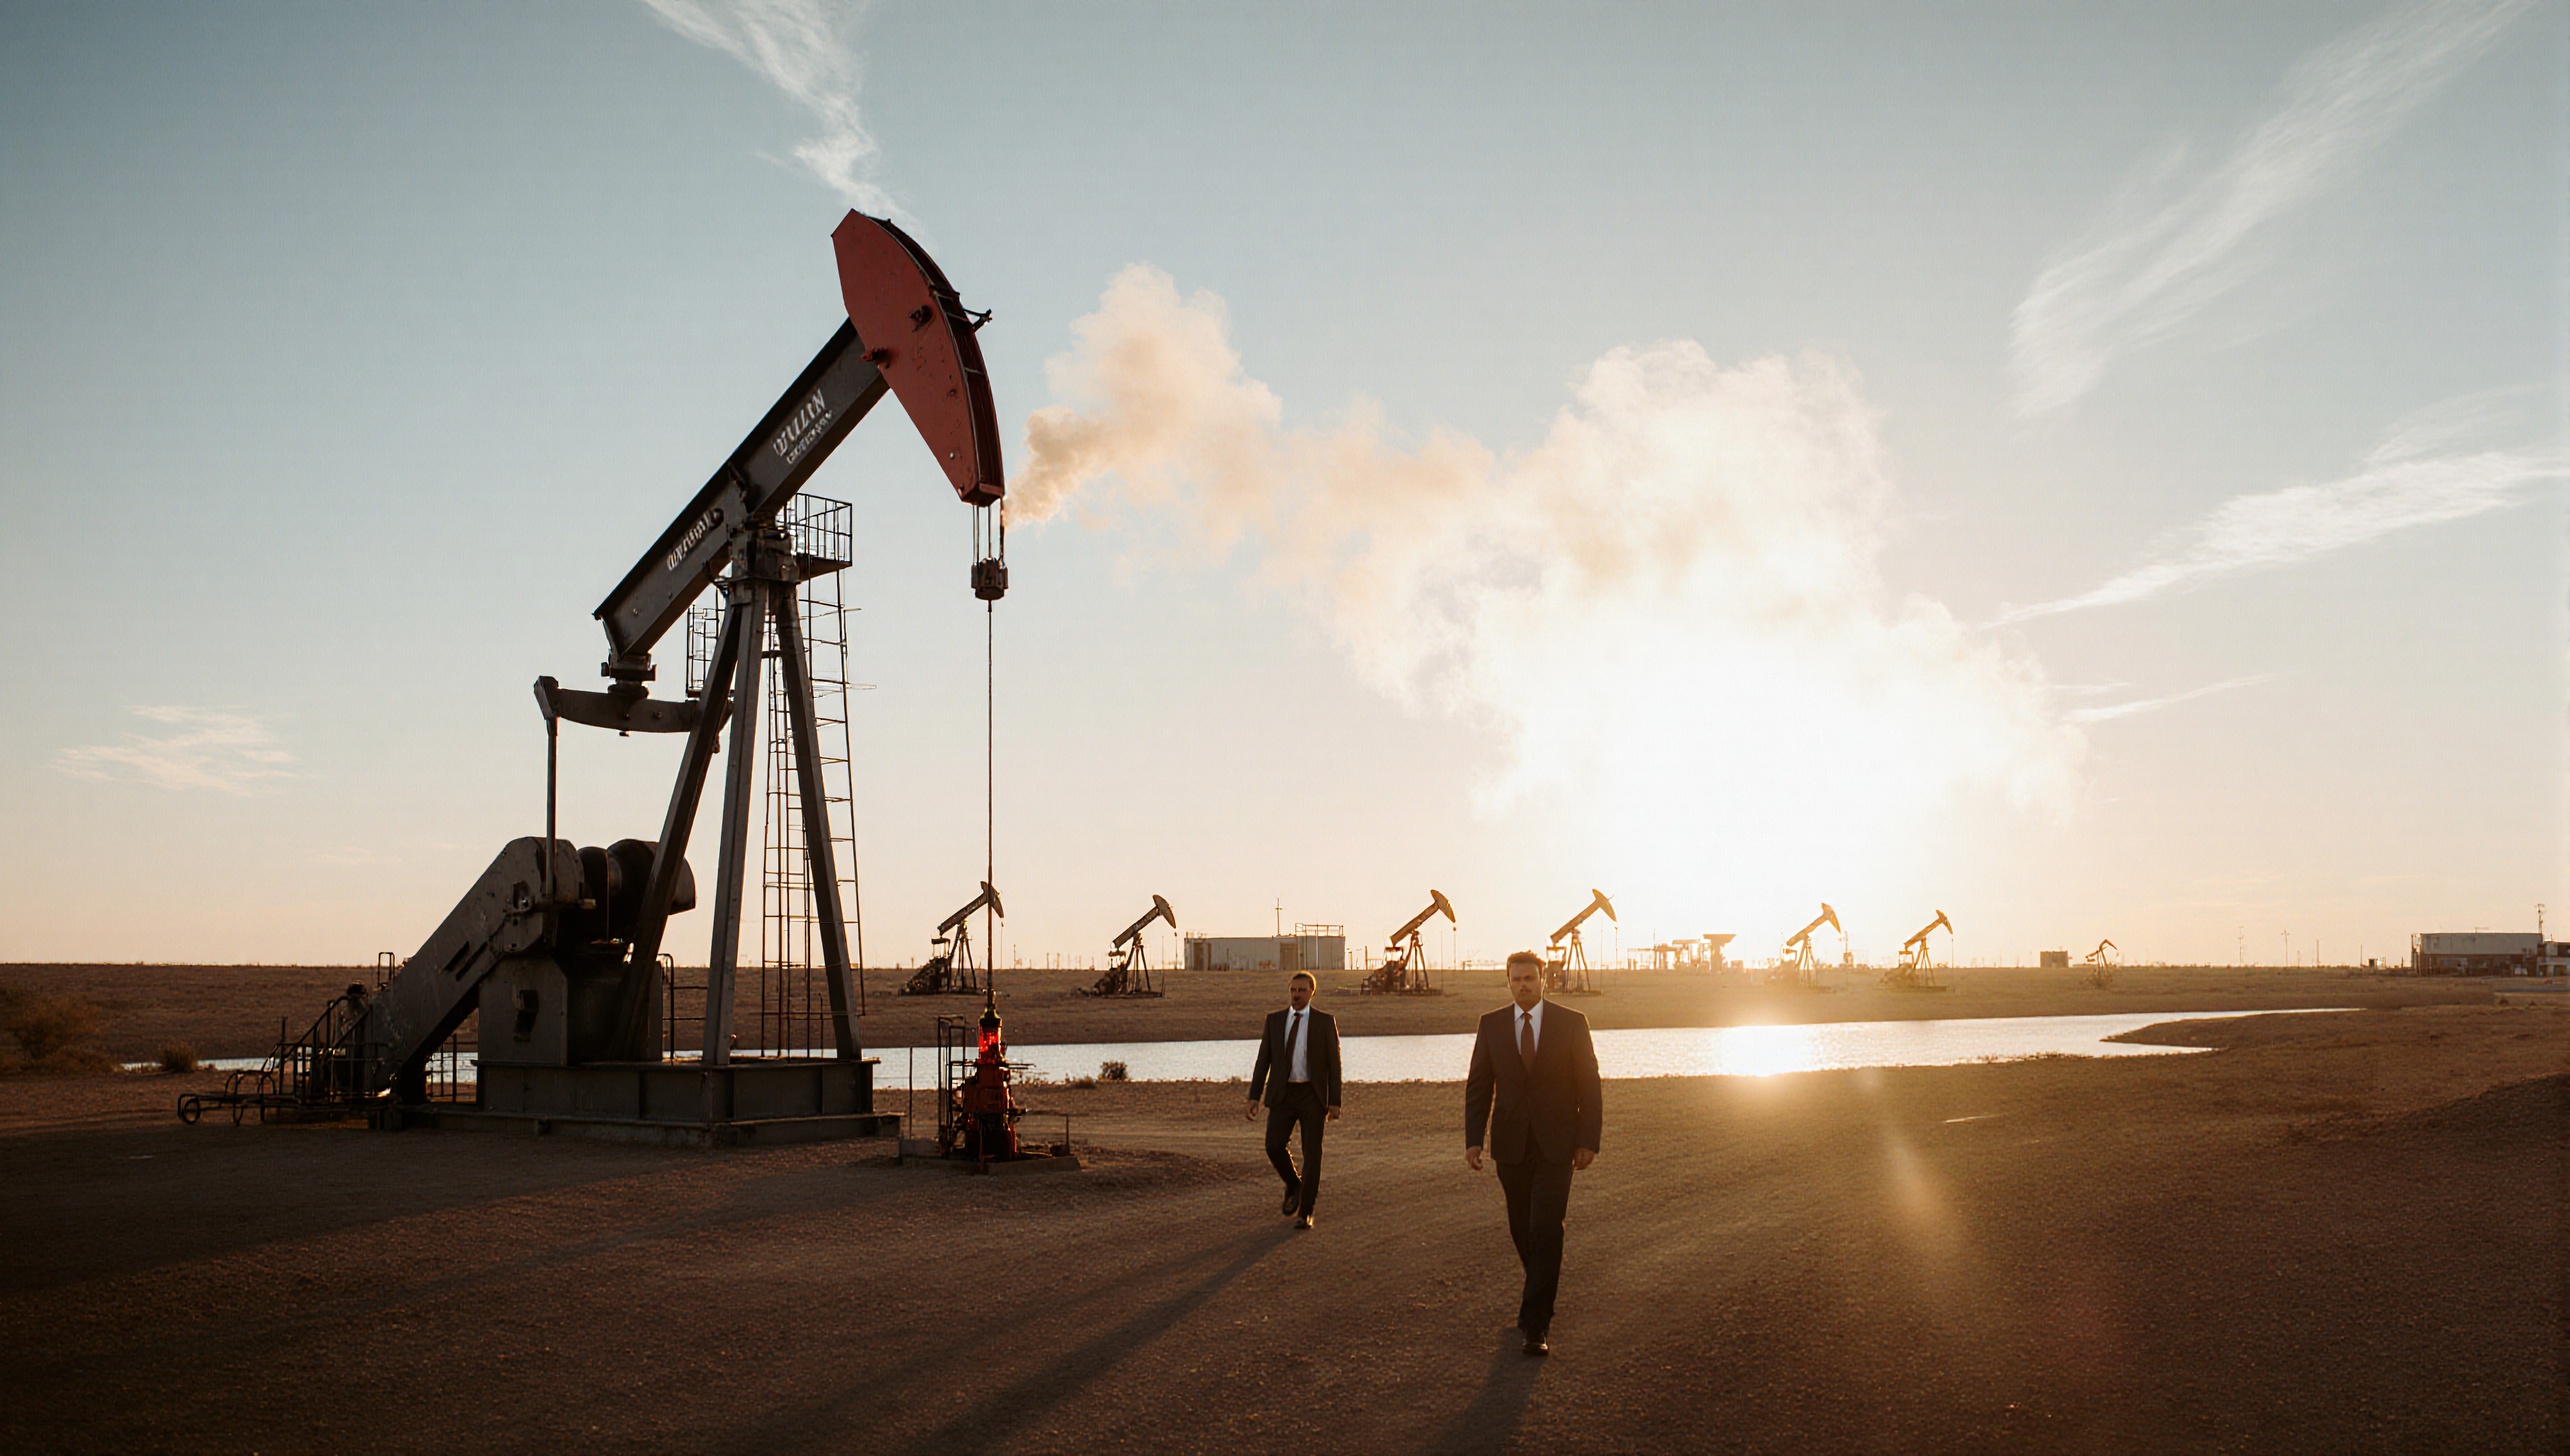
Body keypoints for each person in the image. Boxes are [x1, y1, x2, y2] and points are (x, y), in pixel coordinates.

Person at [1464, 949, 1602, 1357]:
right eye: (1516, 979)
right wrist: (1474, 1139)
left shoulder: (1572, 1023)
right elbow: (1479, 1086)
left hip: (1558, 1144)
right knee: (1522, 1228)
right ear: (1508, 982)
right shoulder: (1491, 1025)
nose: (1523, 985)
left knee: (1545, 1226)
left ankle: (1536, 1324)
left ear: (1544, 980)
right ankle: (1539, 1285)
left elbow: (1590, 1086)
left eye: (1530, 978)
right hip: (1510, 1144)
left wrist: (1588, 1139)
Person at [1244, 970, 1342, 1229]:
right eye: (1293, 990)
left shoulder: (1324, 1022)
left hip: (1313, 1095)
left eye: (1301, 990)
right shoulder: (1275, 1021)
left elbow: (1335, 1064)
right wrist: (1254, 1096)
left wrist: (1335, 1101)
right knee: (1273, 1146)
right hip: (1282, 1094)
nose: (1296, 995)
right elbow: (1263, 1060)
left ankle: (1306, 1212)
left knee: (1313, 1155)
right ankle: (1294, 1184)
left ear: (1311, 993)